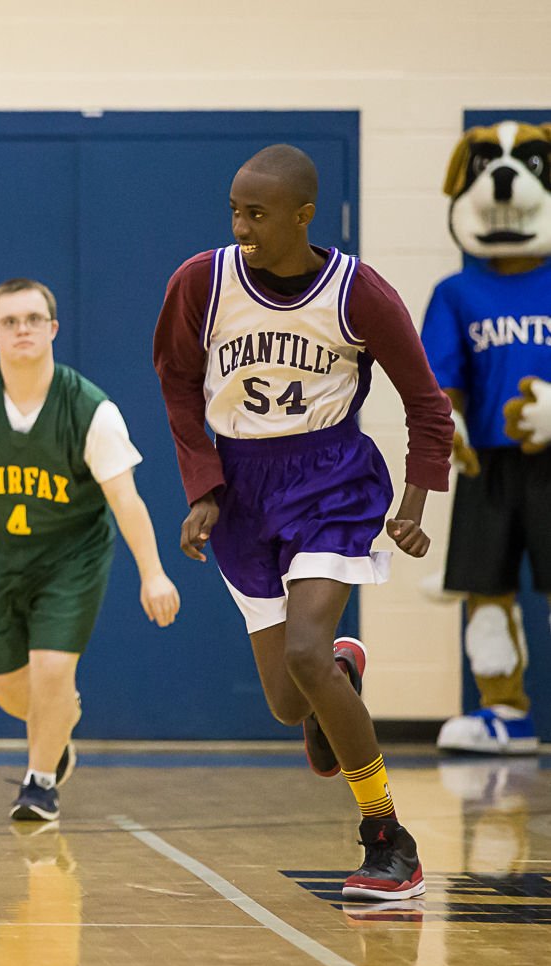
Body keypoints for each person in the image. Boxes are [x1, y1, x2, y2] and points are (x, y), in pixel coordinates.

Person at [152, 145, 453, 901]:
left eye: (257, 213)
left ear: (302, 215)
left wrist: (413, 505)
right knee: (293, 700)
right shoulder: (201, 281)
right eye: (235, 211)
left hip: (329, 480)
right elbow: (178, 384)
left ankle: (388, 839)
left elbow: (427, 404)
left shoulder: (358, 293)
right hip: (244, 490)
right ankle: (342, 673)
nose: (242, 225)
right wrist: (203, 489)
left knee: (307, 654)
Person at [0, 277, 180, 824]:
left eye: (31, 320)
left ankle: (39, 781)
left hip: (72, 556)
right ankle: (56, 732)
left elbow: (126, 498)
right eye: (9, 322)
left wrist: (154, 573)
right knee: (4, 687)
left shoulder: (91, 409)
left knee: (52, 667)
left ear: (51, 329)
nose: (21, 330)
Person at [423, 120, 551, 755]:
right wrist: (449, 424)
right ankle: (507, 714)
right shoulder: (455, 292)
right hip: (487, 468)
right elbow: (438, 379)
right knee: (485, 588)